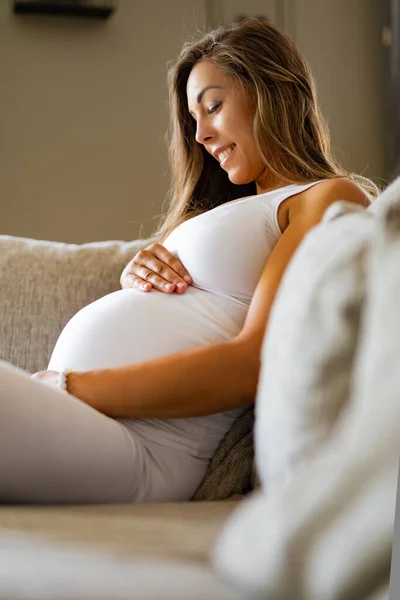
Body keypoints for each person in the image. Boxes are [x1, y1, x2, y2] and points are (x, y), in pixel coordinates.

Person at [0, 17, 378, 505]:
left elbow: (253, 361)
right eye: (193, 118)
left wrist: (71, 386)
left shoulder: (327, 197)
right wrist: (138, 275)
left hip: (144, 448)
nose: (200, 134)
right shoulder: (232, 210)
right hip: (97, 426)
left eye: (213, 106)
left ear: (271, 91)